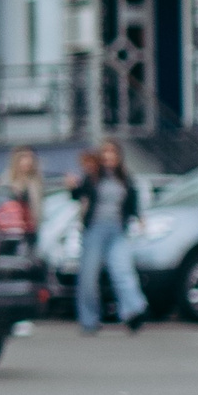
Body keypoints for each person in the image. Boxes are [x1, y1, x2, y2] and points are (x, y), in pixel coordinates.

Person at [72, 136, 148, 333]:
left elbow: (132, 201)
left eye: (112, 152)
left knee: (122, 270)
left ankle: (134, 310)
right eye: (105, 153)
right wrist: (72, 186)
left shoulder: (124, 178)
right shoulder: (93, 177)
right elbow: (78, 194)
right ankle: (89, 320)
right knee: (88, 277)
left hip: (117, 229)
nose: (108, 157)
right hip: (95, 229)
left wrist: (139, 218)